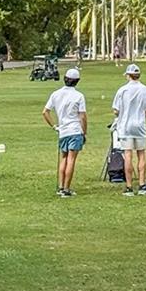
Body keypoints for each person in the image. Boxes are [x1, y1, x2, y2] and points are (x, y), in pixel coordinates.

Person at [111, 63, 146, 196]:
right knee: (141, 154)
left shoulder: (122, 90)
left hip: (125, 126)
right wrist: (141, 115)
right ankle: (142, 185)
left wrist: (124, 114)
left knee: (128, 155)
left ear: (128, 76)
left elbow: (115, 110)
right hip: (140, 125)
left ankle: (129, 187)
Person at [42, 67, 87, 197]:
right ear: (77, 81)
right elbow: (83, 116)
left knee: (64, 158)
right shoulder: (79, 96)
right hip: (75, 130)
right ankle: (66, 189)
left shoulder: (56, 94)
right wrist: (84, 132)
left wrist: (54, 126)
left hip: (63, 131)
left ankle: (61, 186)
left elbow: (45, 112)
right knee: (71, 159)